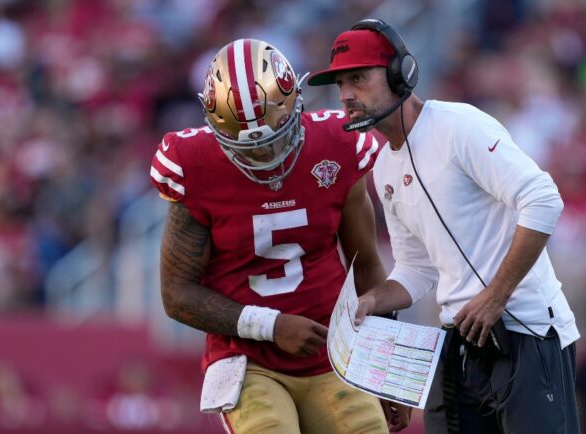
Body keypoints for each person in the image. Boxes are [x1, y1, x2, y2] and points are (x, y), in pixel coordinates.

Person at [308, 19, 580, 433]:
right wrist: (370, 301)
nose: (346, 95)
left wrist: (495, 295)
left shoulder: (459, 125)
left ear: (401, 75)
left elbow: (543, 201)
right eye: (341, 83)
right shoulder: (382, 169)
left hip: (528, 331)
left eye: (359, 79)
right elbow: (416, 270)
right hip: (461, 340)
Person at [150, 38, 410, 433]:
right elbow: (177, 295)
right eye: (248, 148)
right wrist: (270, 326)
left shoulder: (337, 145)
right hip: (247, 360)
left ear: (297, 102)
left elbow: (368, 267)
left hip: (333, 352)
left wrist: (386, 372)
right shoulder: (194, 164)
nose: (263, 157)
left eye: (275, 138)